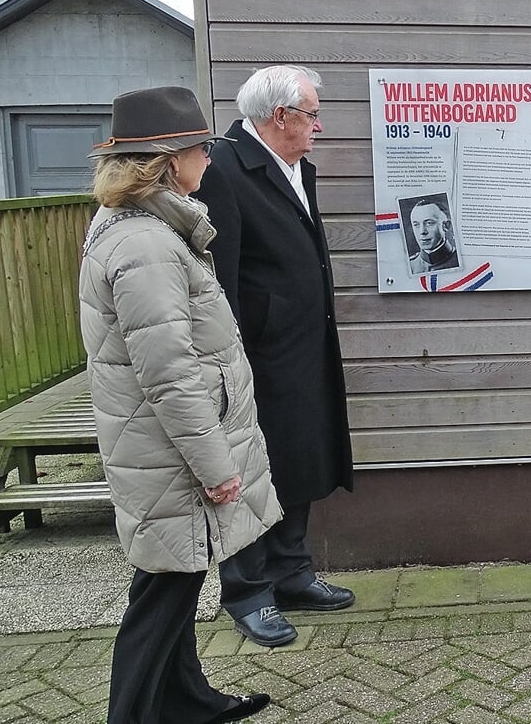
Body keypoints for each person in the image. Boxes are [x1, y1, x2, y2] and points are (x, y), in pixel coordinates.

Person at [79, 86, 281, 723]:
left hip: (162, 449)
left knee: (174, 578)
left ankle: (184, 702)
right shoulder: (146, 245)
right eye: (200, 148)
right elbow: (168, 375)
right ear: (166, 160)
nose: (209, 161)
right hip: (172, 454)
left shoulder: (144, 230)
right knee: (164, 593)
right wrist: (217, 467)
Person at [193, 65, 355, 647]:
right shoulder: (226, 169)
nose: (319, 124)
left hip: (303, 344)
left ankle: (291, 573)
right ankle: (247, 591)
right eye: (311, 113)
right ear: (279, 116)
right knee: (253, 470)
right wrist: (229, 359)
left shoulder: (293, 165)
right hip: (256, 353)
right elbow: (222, 276)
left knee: (299, 458)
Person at [406, 195, 459, 273]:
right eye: (416, 225)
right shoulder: (410, 265)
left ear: (446, 226)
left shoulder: (458, 260)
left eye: (429, 223)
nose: (422, 232)